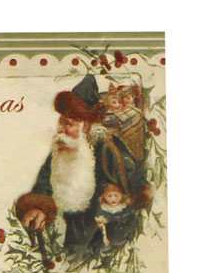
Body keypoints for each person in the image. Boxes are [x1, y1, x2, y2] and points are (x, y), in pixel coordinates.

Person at [16, 76, 149, 257]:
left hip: (97, 245)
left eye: (69, 124)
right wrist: (38, 208)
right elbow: (43, 185)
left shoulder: (109, 151)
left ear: (86, 126)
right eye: (61, 122)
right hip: (63, 239)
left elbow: (134, 197)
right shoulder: (62, 148)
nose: (61, 130)